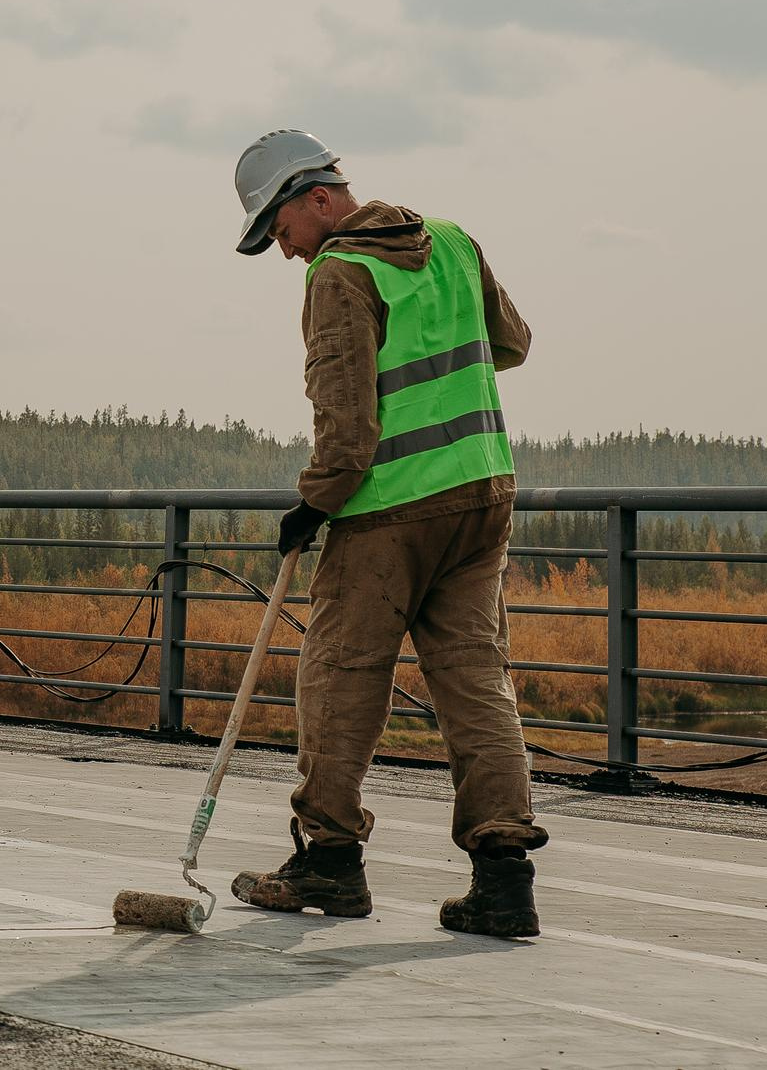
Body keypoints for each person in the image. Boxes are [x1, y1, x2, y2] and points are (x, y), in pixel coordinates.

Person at [225, 128, 546, 939]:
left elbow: (347, 424)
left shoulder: (340, 272)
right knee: (475, 677)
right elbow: (512, 343)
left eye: (281, 230)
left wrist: (314, 504)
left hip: (389, 506)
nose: (286, 251)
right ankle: (503, 878)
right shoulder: (454, 241)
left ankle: (331, 860)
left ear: (317, 198)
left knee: (341, 674)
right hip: (482, 491)